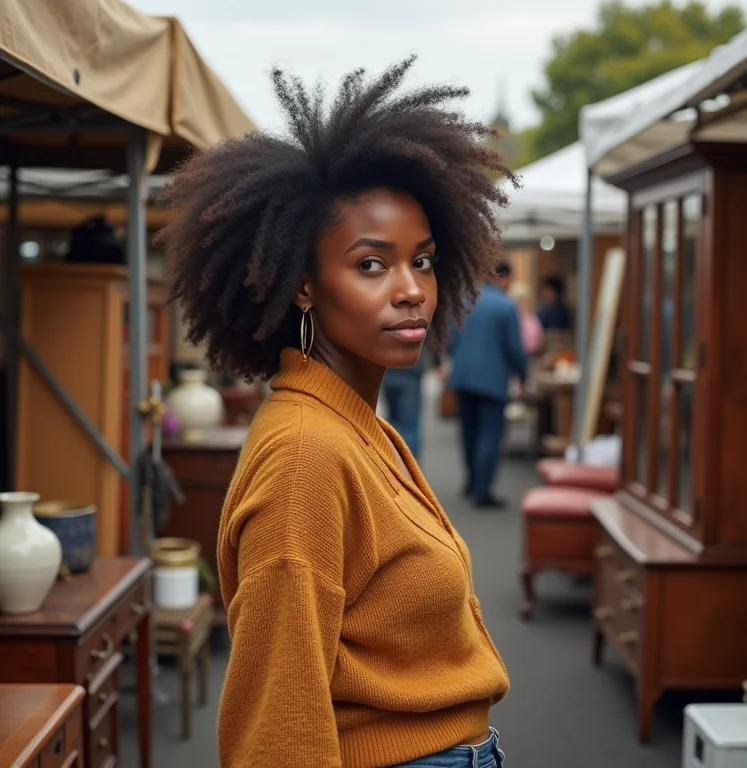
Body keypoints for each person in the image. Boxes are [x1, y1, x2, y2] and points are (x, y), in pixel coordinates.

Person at [157, 57, 514, 768]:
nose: (413, 290)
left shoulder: (357, 425)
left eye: (426, 260)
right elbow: (276, 724)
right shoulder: (306, 454)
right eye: (372, 264)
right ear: (302, 287)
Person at [449, 262, 527, 508]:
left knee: (468, 431)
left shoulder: (462, 301)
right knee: (490, 434)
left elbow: (449, 338)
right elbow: (515, 348)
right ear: (503, 278)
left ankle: (472, 481)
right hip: (492, 378)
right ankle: (483, 491)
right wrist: (522, 375)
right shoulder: (506, 306)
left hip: (463, 376)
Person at [381, 352, 427, 460]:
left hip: (388, 367)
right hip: (410, 370)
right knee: (409, 427)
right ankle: (408, 468)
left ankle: (392, 463)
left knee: (392, 424)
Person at [509, 282, 545, 357]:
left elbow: (540, 338)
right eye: (521, 301)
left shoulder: (533, 318)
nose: (525, 304)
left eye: (526, 301)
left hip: (533, 355)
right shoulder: (513, 318)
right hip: (519, 356)